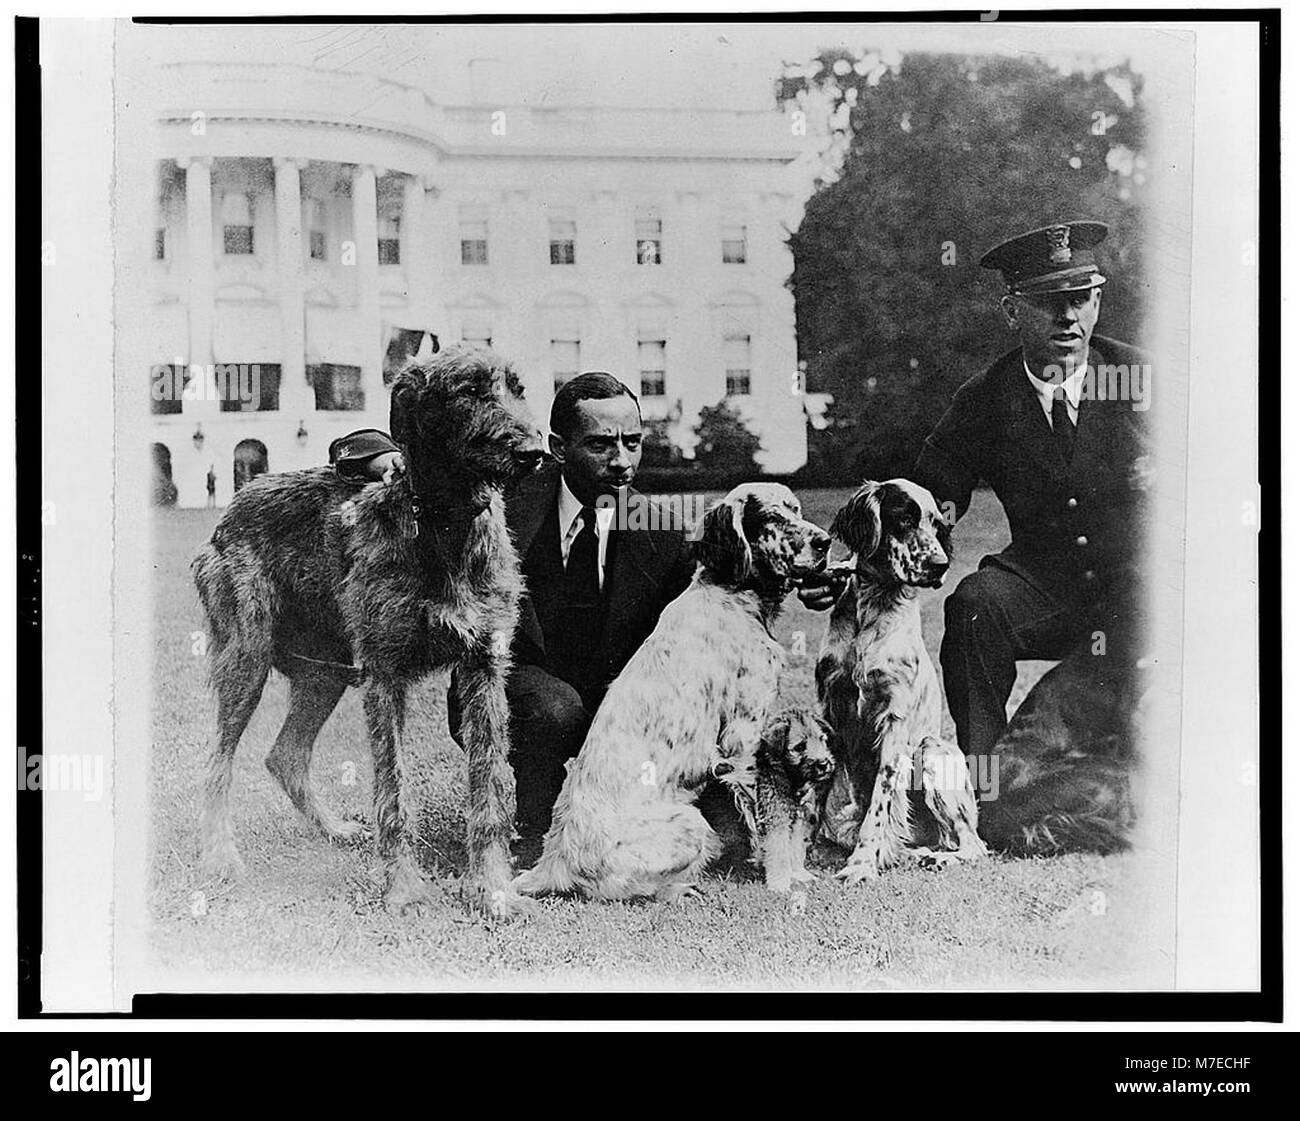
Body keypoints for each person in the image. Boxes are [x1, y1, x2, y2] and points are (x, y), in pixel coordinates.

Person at [340, 372, 835, 845]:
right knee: (556, 710)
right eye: (601, 444)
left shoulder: (660, 531)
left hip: (618, 712)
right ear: (558, 448)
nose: (622, 460)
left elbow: (726, 589)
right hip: (517, 691)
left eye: (632, 442)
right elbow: (369, 444)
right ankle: (536, 828)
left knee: (719, 838)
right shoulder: (501, 502)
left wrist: (806, 586)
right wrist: (388, 461)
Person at [913, 221, 1152, 761]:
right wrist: (862, 565)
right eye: (1048, 302)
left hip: (1136, 594)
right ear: (1012, 311)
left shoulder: (1143, 377)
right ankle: (985, 780)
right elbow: (931, 498)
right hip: (1044, 589)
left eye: (1081, 298)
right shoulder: (985, 400)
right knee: (974, 606)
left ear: (1096, 302)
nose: (1068, 316)